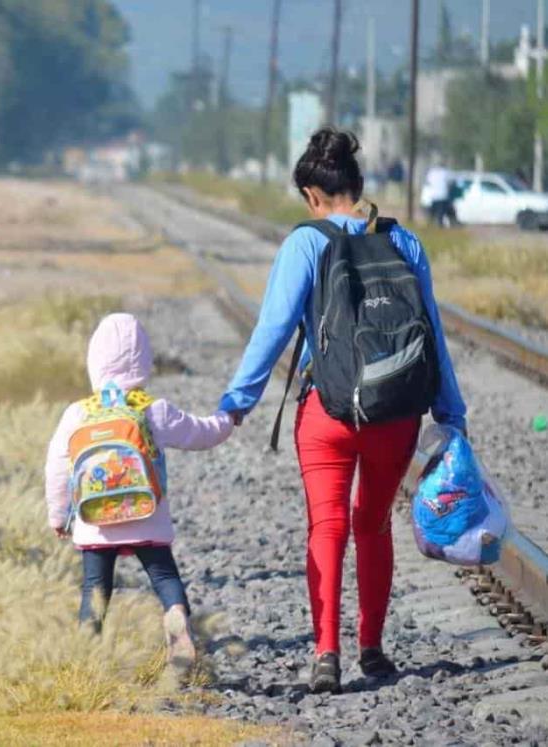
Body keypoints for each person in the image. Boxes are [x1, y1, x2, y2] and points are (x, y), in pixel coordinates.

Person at [219, 128, 466, 693]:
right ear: (358, 185)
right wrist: (450, 410)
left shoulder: (305, 243)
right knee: (374, 525)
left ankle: (326, 653)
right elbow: (433, 334)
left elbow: (274, 329)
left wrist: (238, 401)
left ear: (311, 194)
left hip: (327, 414)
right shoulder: (405, 243)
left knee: (327, 526)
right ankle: (372, 648)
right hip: (396, 413)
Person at [44, 313, 234, 668]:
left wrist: (58, 515)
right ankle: (176, 616)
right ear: (144, 362)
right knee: (164, 577)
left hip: (95, 522)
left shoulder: (77, 414)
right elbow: (203, 433)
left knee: (94, 588)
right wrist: (229, 417)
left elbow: (56, 467)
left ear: (94, 362)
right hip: (147, 516)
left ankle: (86, 655)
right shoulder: (153, 411)